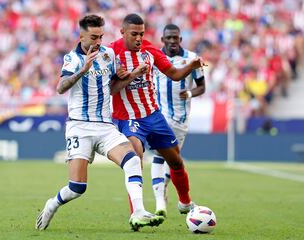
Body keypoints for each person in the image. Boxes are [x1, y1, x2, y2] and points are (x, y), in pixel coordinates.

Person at [35, 14, 164, 232]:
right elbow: (61, 87)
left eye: (101, 37)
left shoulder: (109, 54)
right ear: (81, 35)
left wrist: (132, 75)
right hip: (79, 127)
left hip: (105, 126)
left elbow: (113, 88)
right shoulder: (71, 59)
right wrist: (83, 70)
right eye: (94, 37)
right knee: (77, 188)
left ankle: (138, 211)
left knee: (132, 160)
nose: (98, 42)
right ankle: (52, 203)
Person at [110, 14, 206, 218]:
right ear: (123, 32)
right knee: (135, 161)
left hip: (154, 116)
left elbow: (174, 73)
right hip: (129, 119)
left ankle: (185, 202)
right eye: (134, 34)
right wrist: (131, 74)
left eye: (141, 34)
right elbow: (110, 90)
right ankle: (136, 212)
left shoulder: (150, 50)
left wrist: (191, 66)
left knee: (176, 161)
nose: (138, 38)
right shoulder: (111, 53)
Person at [151, 24, 206, 217]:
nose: (173, 41)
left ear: (180, 39)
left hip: (181, 119)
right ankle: (160, 201)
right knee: (160, 155)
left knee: (173, 161)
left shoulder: (191, 59)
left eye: (176, 38)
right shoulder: (155, 58)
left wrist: (190, 93)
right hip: (159, 116)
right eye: (169, 38)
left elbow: (202, 87)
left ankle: (164, 187)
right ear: (163, 40)